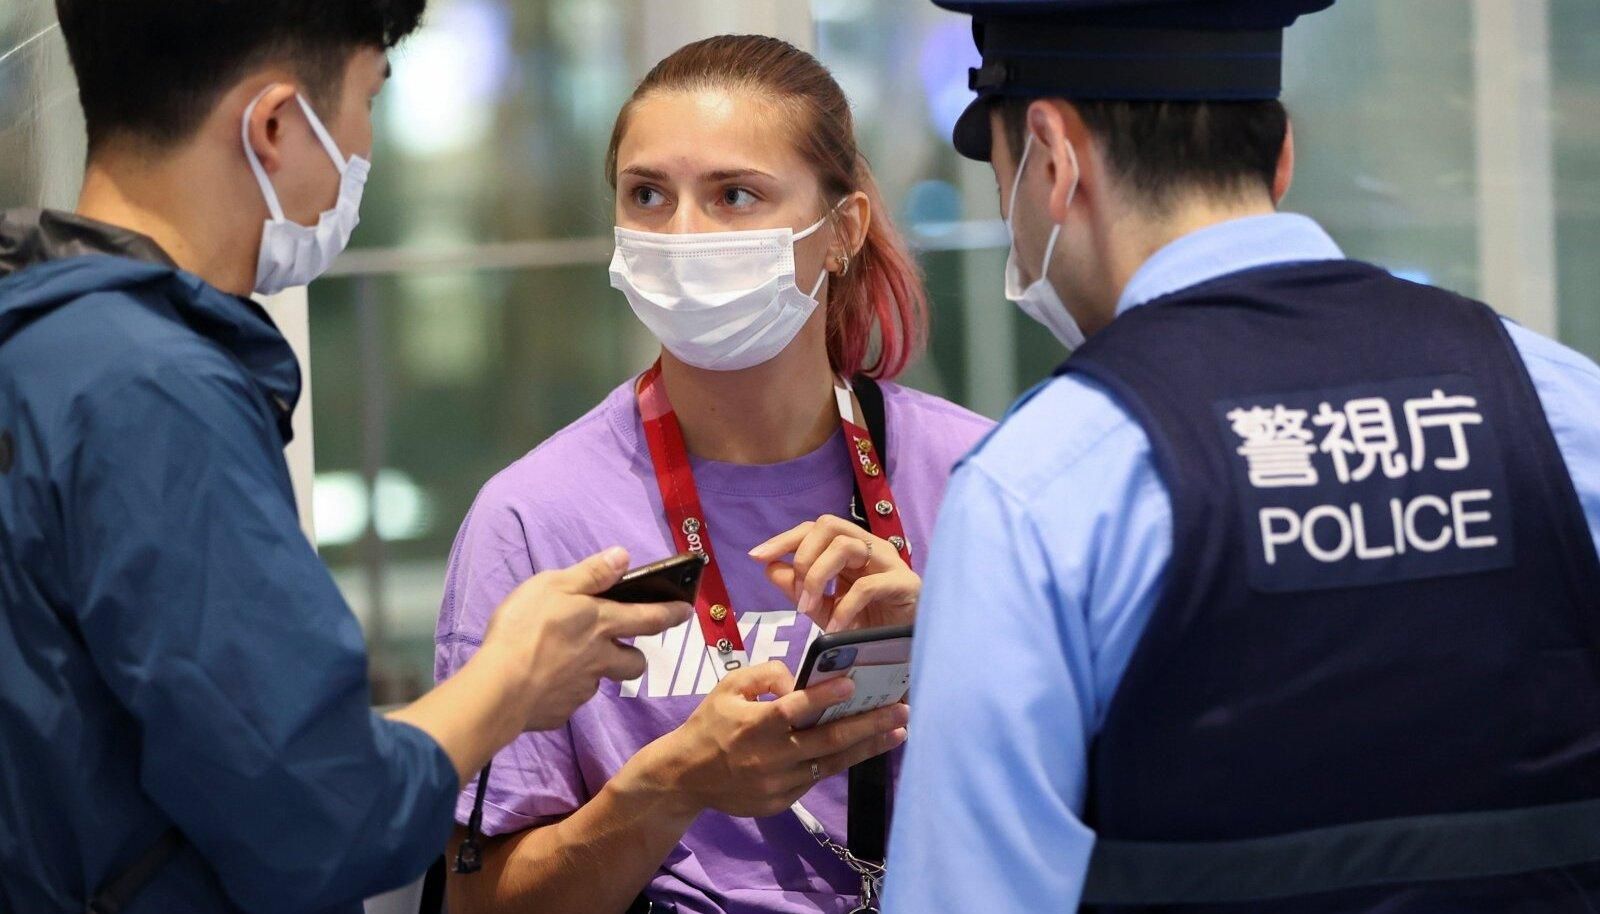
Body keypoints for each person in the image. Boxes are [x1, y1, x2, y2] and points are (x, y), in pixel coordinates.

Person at [884, 0, 1600, 911]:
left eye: (1003, 178)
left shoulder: (1045, 488)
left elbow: (970, 894)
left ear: (1053, 160)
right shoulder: (1560, 403)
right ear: (1282, 154)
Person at [0, 3, 690, 912]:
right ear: (276, 125)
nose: (364, 146)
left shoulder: (43, 340)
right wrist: (512, 678)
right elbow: (319, 816)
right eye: (367, 99)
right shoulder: (156, 394)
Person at [434, 34, 994, 914]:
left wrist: (961, 645)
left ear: (840, 232)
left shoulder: (978, 480)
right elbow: (481, 904)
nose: (683, 236)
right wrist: (672, 785)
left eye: (735, 195)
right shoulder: (534, 516)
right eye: (647, 195)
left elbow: (1118, 794)